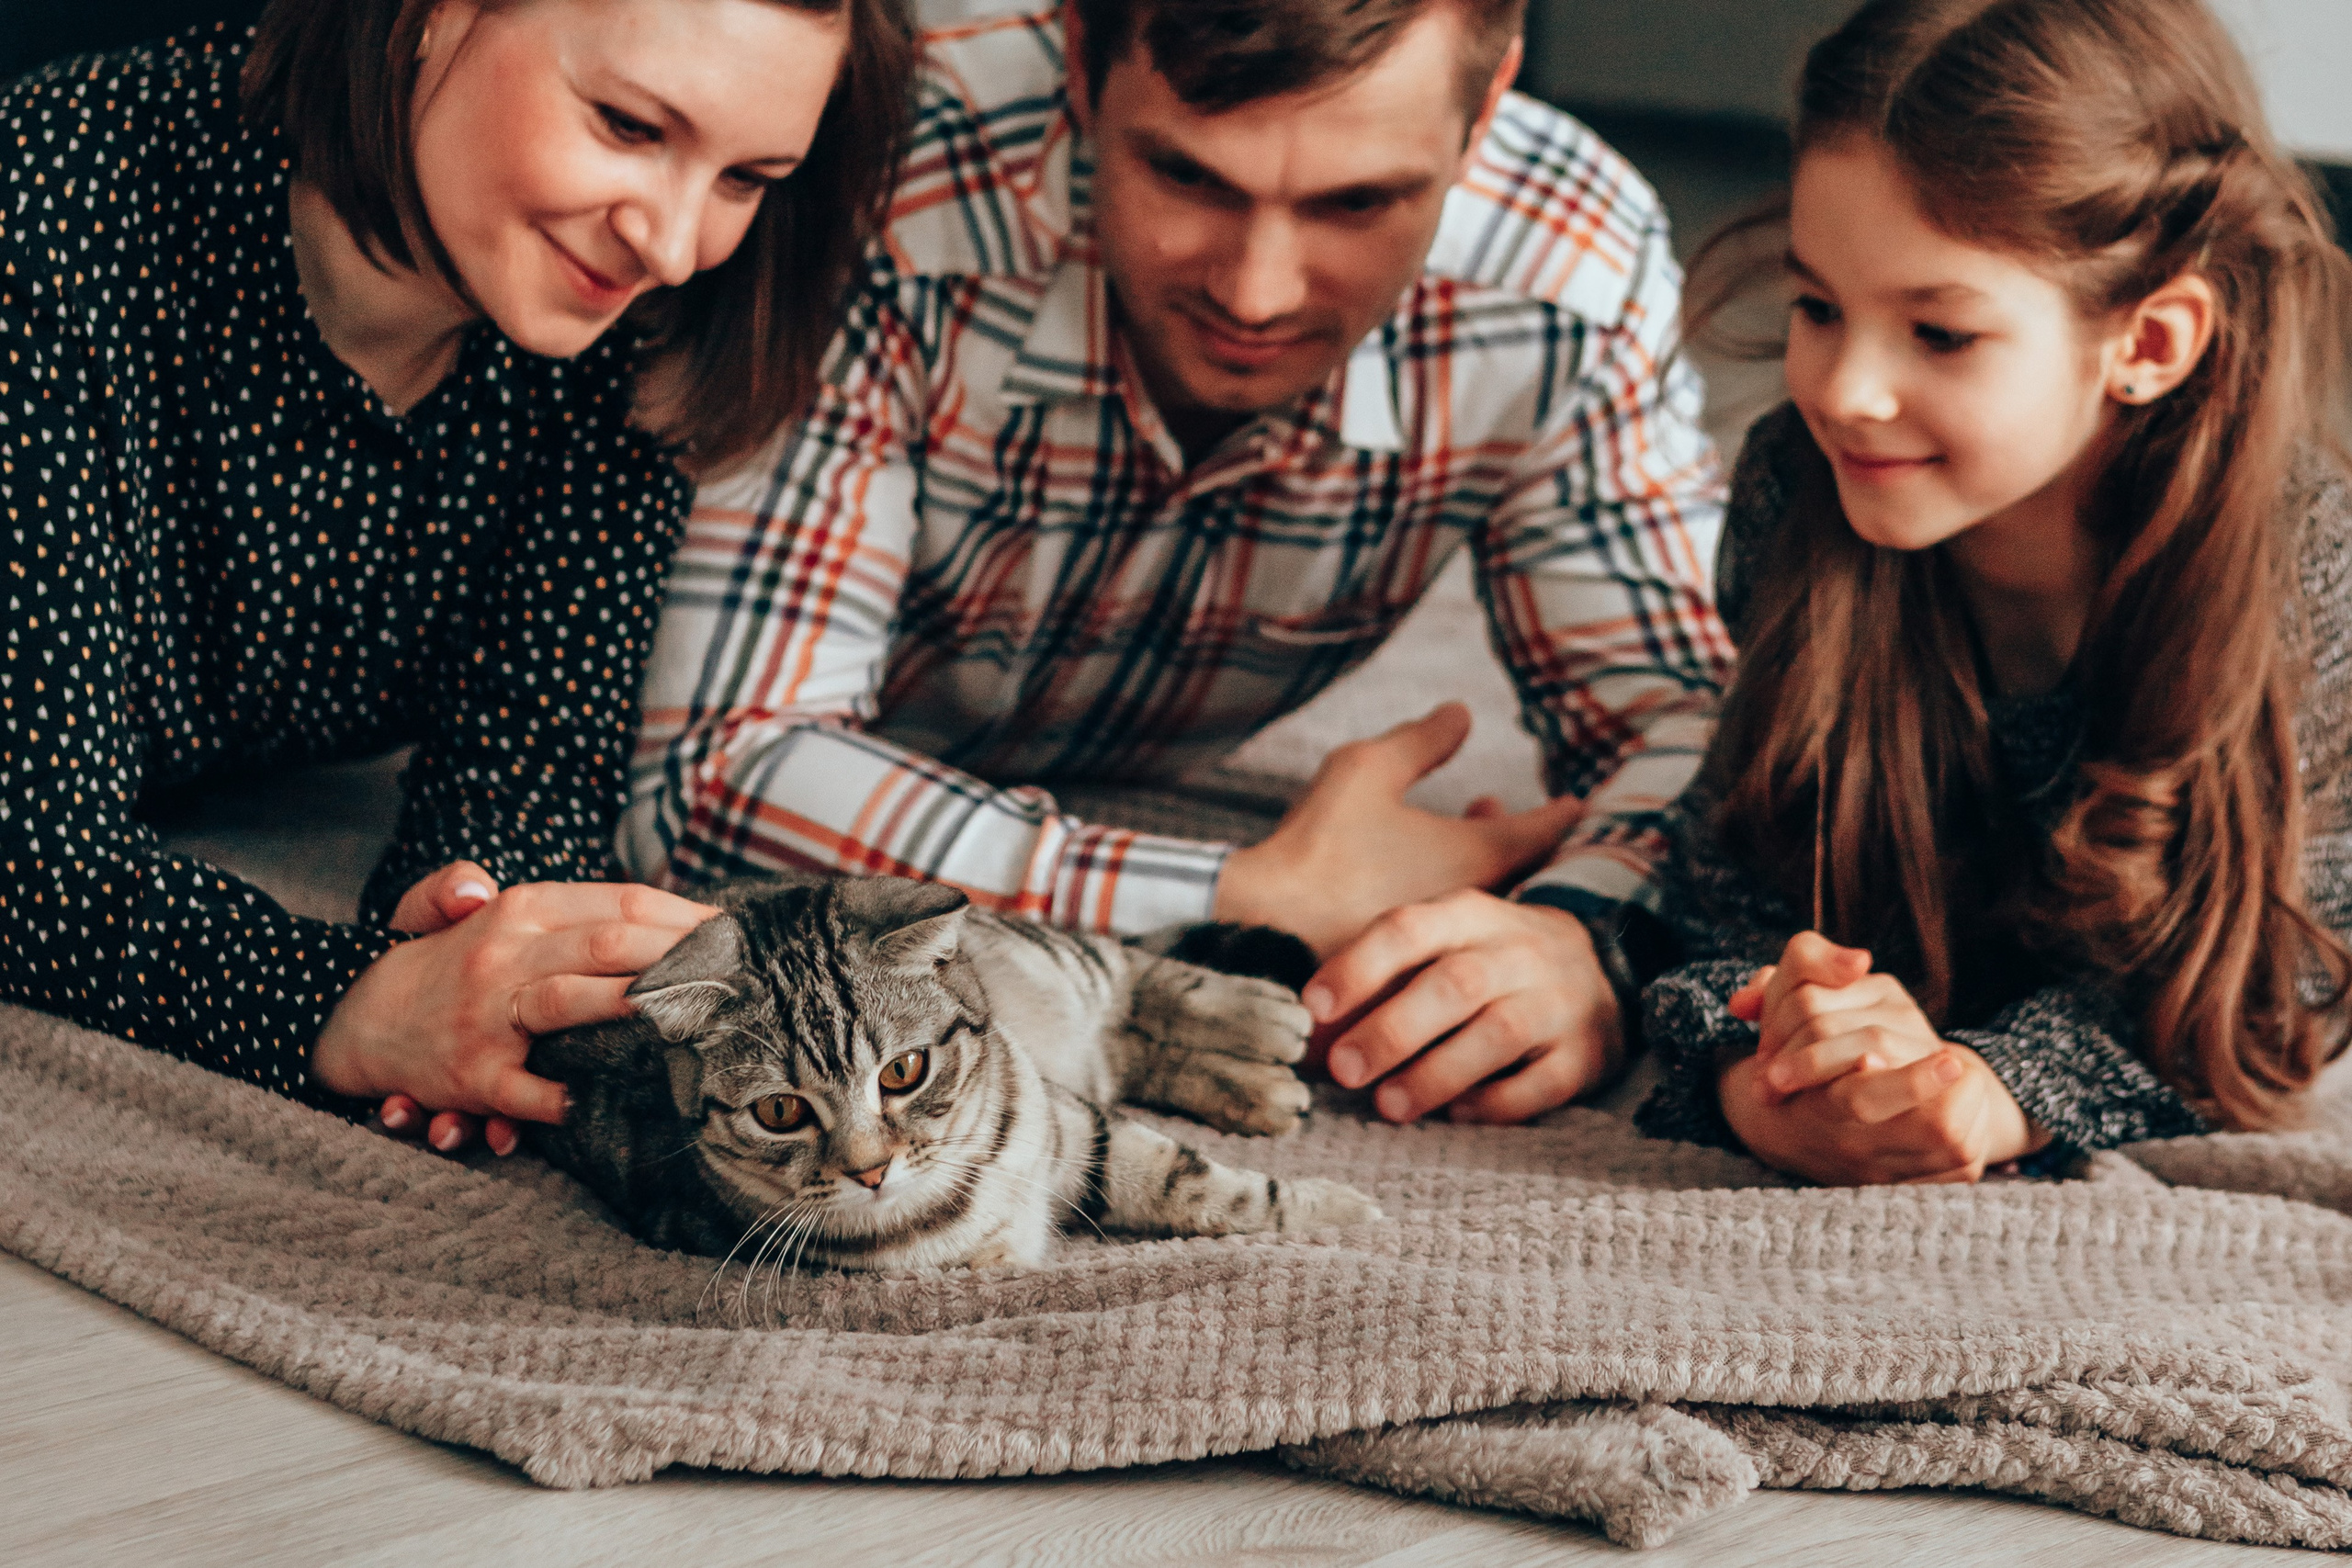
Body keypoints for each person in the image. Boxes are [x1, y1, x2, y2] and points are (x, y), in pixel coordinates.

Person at [620, 0, 1732, 1127]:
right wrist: (1245, 896)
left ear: (1486, 105)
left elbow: (1694, 718)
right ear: (1081, 66)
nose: (1258, 292)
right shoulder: (881, 166)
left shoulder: (1569, 273)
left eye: (1358, 202)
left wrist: (1583, 937)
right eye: (1188, 178)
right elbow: (713, 775)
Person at [0, 0, 912, 1156]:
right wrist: (346, 1002)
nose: (675, 243)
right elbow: (26, 846)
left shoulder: (630, 321)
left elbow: (530, 757)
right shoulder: (51, 208)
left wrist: (479, 940)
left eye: (744, 178)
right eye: (629, 125)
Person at [1635, 0, 2352, 1183]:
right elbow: (1724, 890)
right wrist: (1760, 1074)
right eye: (1818, 307)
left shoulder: (2302, 574)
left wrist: (1990, 1095)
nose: (1844, 389)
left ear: (2150, 343)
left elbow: (2279, 992)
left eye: (1940, 333)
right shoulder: (1793, 494)